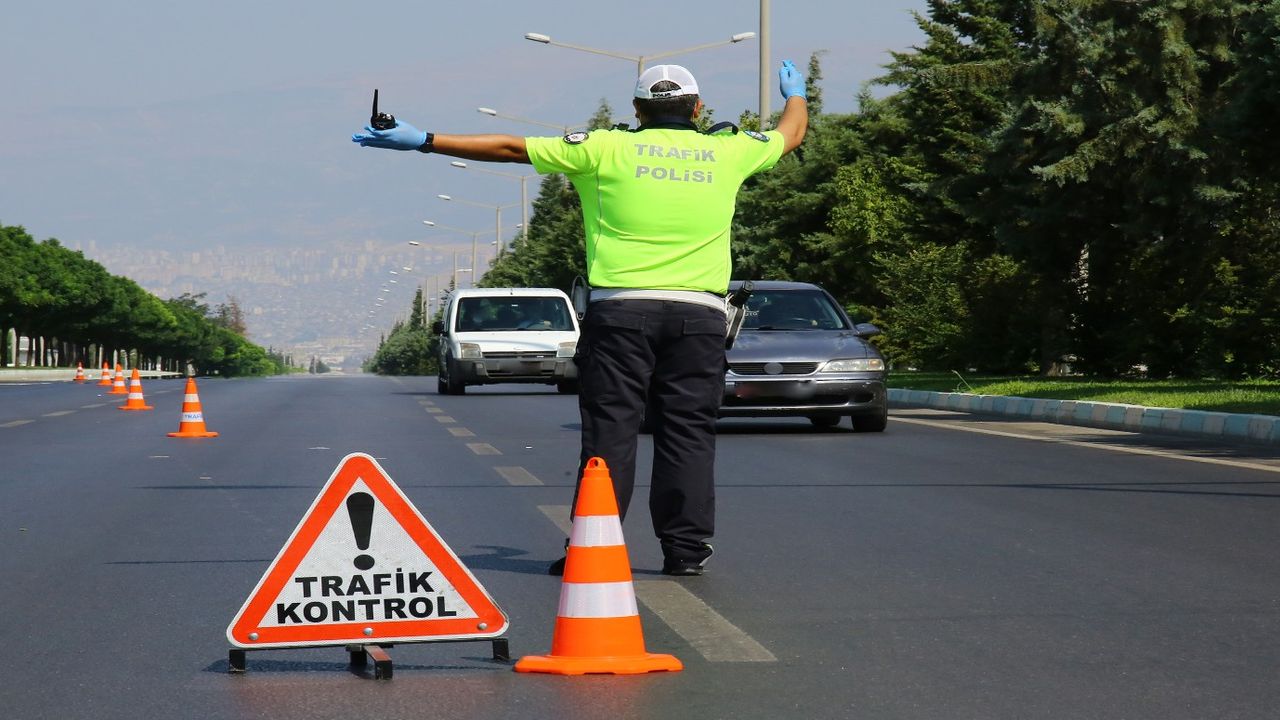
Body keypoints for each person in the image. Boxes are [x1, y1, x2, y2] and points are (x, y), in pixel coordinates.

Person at [353, 60, 808, 576]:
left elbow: (509, 149)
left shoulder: (603, 148)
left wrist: (425, 140)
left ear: (636, 111)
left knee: (610, 433)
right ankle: (685, 551)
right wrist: (796, 95)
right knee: (689, 434)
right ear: (698, 109)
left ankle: (594, 549)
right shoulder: (730, 152)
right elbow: (789, 135)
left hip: (621, 316)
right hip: (699, 317)